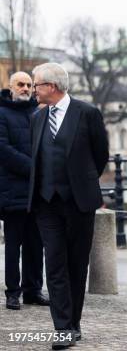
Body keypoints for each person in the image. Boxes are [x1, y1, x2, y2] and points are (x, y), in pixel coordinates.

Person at [28, 62, 109, 350]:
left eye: (36, 84)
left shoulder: (87, 113)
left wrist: (82, 182)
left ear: (51, 86)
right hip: (46, 203)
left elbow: (101, 155)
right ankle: (62, 328)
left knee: (77, 264)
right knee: (55, 264)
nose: (33, 89)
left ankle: (74, 323)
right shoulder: (37, 118)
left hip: (79, 203)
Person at [0, 72, 48, 310]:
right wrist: (35, 168)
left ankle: (33, 290)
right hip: (12, 191)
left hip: (36, 192)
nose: (26, 88)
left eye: (29, 84)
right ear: (10, 88)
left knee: (35, 244)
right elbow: (3, 150)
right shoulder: (1, 113)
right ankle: (12, 292)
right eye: (20, 84)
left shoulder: (39, 112)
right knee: (13, 245)